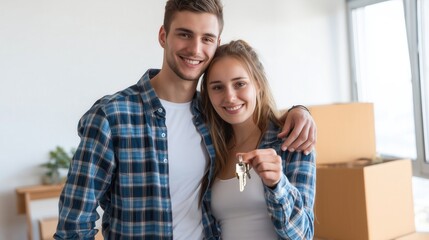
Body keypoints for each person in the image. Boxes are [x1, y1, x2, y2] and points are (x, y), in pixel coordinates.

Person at [54, 0, 316, 239]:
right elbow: (73, 226)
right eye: (184, 34)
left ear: (216, 44)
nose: (195, 48)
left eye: (207, 38)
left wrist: (300, 111)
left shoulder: (213, 117)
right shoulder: (113, 116)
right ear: (163, 36)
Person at [200, 39, 316, 239]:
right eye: (217, 87)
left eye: (240, 84)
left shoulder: (291, 141)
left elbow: (303, 234)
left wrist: (277, 184)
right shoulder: (210, 147)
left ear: (258, 85)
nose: (230, 97)